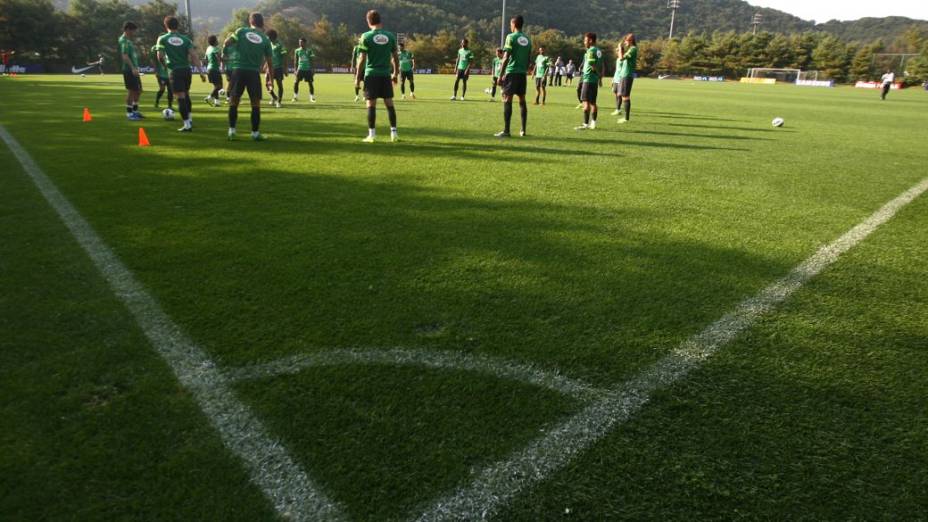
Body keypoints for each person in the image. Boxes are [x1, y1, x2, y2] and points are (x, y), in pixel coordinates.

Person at [224, 12, 274, 141]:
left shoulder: (241, 31)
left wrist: (228, 52)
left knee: (233, 102)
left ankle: (231, 131)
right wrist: (270, 81)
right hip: (253, 73)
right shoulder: (265, 39)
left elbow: (227, 42)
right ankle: (255, 133)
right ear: (262, 23)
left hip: (238, 70)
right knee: (255, 104)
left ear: (250, 22)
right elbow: (270, 63)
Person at [355, 9, 400, 143]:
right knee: (389, 104)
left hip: (371, 74)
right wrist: (395, 73)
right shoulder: (390, 36)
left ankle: (372, 135)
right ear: (380, 20)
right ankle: (394, 134)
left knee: (371, 104)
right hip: (386, 75)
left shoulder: (366, 36)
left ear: (368, 22)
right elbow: (395, 58)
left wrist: (357, 78)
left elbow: (362, 59)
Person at [157, 16, 206, 132]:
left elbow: (160, 56)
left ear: (166, 26)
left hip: (175, 71)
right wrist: (201, 72)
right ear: (177, 26)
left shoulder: (162, 39)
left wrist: (165, 66)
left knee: (180, 97)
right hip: (186, 70)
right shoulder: (185, 39)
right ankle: (190, 119)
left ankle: (187, 125)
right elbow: (194, 56)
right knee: (186, 95)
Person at [495, 15, 532, 138]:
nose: (510, 27)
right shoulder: (527, 39)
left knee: (507, 100)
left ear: (514, 24)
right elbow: (528, 59)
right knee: (522, 100)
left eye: (510, 24)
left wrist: (500, 76)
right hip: (522, 74)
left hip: (511, 73)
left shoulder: (510, 37)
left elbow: (505, 58)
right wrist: (524, 70)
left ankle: (506, 131)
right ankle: (523, 130)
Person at [576, 32, 604, 130]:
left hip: (588, 78)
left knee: (586, 102)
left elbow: (592, 65)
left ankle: (585, 124)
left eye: (585, 40)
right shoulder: (598, 51)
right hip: (594, 80)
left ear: (591, 40)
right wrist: (599, 77)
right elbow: (601, 65)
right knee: (593, 102)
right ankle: (593, 123)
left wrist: (597, 73)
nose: (584, 42)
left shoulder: (591, 51)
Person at [119, 22, 143, 121]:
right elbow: (125, 56)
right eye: (133, 30)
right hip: (129, 70)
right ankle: (129, 114)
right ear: (128, 30)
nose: (134, 33)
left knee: (138, 91)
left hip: (134, 70)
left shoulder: (128, 41)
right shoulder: (123, 40)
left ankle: (135, 111)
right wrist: (133, 68)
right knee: (131, 91)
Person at [612, 33, 637, 123]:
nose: (625, 42)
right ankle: (625, 116)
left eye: (626, 40)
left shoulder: (633, 49)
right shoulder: (631, 49)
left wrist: (619, 48)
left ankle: (626, 118)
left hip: (627, 75)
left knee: (626, 96)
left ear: (630, 40)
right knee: (623, 96)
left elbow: (621, 58)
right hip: (624, 75)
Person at [265, 29, 287, 108]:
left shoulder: (280, 44)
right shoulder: (268, 44)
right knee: (267, 84)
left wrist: (285, 68)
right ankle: (275, 97)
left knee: (279, 85)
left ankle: (279, 102)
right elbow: (268, 56)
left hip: (278, 68)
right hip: (269, 68)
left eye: (268, 36)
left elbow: (284, 57)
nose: (267, 38)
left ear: (272, 36)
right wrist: (265, 65)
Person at [150, 43, 173, 109]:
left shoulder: (170, 47)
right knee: (162, 89)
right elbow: (152, 60)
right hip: (161, 74)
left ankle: (170, 106)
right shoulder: (156, 48)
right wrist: (155, 71)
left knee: (170, 90)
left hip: (170, 73)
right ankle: (156, 102)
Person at [293, 37, 316, 102]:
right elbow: (295, 61)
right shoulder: (297, 50)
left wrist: (313, 69)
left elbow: (312, 60)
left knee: (310, 83)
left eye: (301, 42)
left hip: (308, 69)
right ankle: (295, 97)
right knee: (296, 82)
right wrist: (295, 70)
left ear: (305, 43)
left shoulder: (310, 50)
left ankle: (312, 98)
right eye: (299, 42)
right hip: (300, 69)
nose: (300, 43)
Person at [204, 35, 223, 107]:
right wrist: (228, 59)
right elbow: (219, 58)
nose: (218, 41)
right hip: (214, 69)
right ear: (215, 41)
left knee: (216, 86)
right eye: (217, 40)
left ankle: (217, 102)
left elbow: (205, 59)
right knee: (219, 86)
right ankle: (209, 98)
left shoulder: (208, 48)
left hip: (209, 69)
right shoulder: (215, 49)